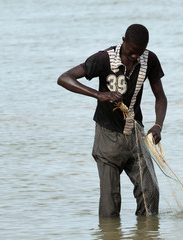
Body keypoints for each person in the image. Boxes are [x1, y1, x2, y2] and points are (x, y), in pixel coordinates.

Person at [57, 24, 167, 217]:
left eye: (139, 53)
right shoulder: (103, 59)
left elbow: (161, 97)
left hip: (136, 136)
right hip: (107, 137)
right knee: (110, 203)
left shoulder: (150, 59)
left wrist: (158, 125)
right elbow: (65, 78)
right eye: (132, 52)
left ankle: (146, 235)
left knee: (150, 193)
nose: (135, 57)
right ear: (123, 40)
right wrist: (99, 94)